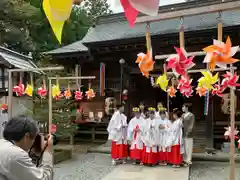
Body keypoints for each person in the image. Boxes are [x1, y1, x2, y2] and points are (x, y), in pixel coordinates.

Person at [0, 115, 53, 180]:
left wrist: (34, 151)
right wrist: (48, 151)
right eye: (34, 138)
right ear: (27, 137)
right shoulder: (15, 155)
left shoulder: (3, 145)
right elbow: (43, 178)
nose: (34, 142)